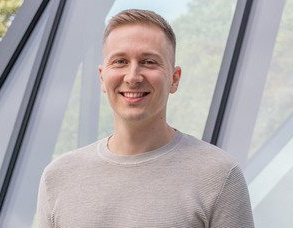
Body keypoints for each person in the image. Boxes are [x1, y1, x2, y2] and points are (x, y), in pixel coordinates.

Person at [37, 9, 254, 228]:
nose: (132, 77)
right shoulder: (58, 177)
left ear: (174, 79)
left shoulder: (219, 176)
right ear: (102, 78)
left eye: (149, 62)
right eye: (120, 61)